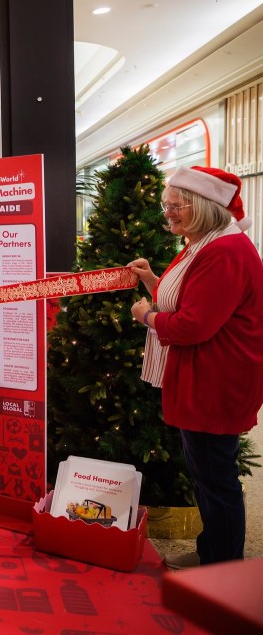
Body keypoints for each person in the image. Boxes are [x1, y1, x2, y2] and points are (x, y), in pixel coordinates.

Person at [128, 166, 263, 569]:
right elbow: (191, 299)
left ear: (203, 206)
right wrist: (152, 281)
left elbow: (192, 324)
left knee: (215, 480)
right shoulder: (204, 243)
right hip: (206, 375)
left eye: (176, 205)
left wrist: (146, 316)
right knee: (208, 474)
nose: (167, 213)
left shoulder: (223, 252)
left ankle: (222, 565)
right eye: (165, 205)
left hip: (215, 381)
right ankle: (213, 553)